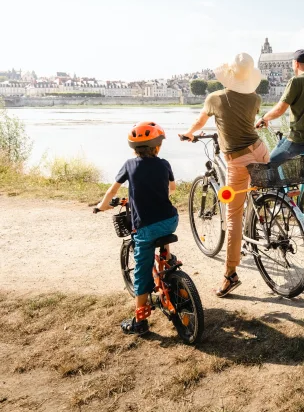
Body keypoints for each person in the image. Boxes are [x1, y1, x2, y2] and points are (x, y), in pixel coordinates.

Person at [179, 53, 268, 298]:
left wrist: (188, 134)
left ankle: (230, 275)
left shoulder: (216, 98)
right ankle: (265, 222)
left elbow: (200, 122)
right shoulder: (255, 98)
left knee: (233, 216)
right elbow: (246, 120)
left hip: (238, 159)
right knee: (263, 191)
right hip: (260, 150)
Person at [95, 121, 179, 336]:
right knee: (162, 233)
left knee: (142, 271)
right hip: (171, 220)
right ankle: (167, 262)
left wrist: (101, 206)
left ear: (133, 149)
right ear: (157, 147)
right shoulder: (165, 164)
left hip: (145, 228)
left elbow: (112, 190)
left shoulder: (129, 165)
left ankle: (140, 322)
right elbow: (172, 188)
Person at [256, 49, 304, 177]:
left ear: (296, 63)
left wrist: (264, 118)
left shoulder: (296, 81)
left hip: (298, 140)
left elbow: (280, 109)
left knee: (270, 162)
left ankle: (277, 196)